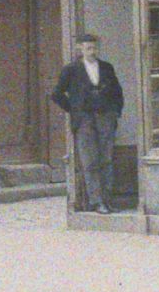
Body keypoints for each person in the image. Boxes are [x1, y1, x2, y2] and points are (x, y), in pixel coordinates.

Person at [51, 31, 124, 213]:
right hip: (84, 121)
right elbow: (57, 94)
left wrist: (114, 112)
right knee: (89, 161)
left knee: (106, 159)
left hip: (105, 118)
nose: (92, 51)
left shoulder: (107, 68)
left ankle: (107, 200)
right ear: (80, 48)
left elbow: (117, 93)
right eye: (88, 48)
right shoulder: (71, 70)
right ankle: (96, 201)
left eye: (95, 48)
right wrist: (74, 110)